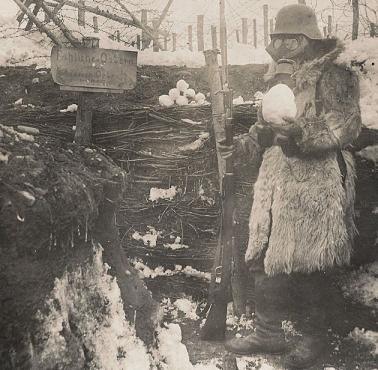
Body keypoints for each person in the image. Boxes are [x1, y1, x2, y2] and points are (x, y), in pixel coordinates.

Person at [222, 4, 362, 369]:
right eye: (278, 38)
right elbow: (264, 125)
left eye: (292, 38)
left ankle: (315, 339)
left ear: (309, 39)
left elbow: (345, 124)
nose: (284, 45)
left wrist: (302, 133)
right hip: (277, 178)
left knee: (312, 260)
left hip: (317, 179)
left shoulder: (335, 75)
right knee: (266, 253)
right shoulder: (277, 77)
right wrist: (246, 144)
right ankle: (269, 332)